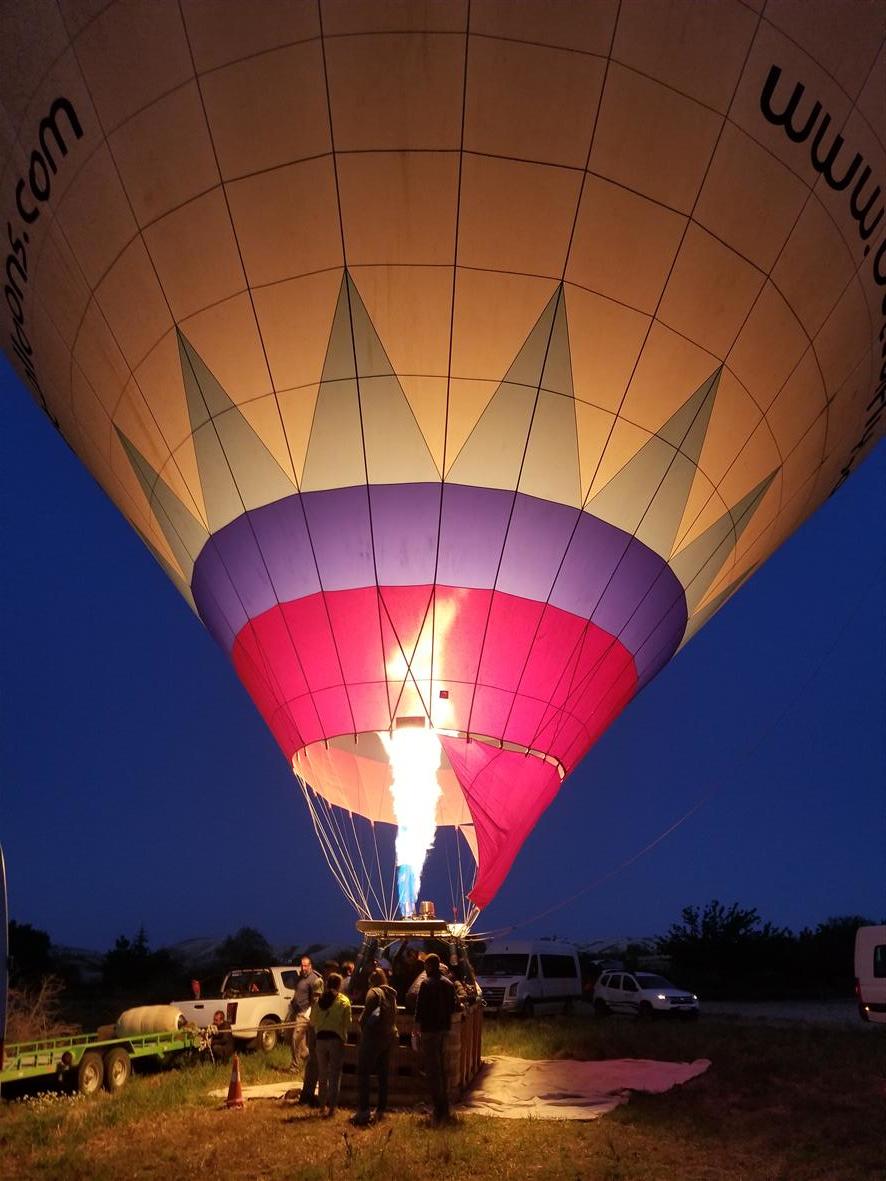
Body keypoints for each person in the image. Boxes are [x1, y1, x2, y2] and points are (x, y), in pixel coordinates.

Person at [414, 953, 461, 1125]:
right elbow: (454, 1006)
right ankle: (446, 1108)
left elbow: (419, 1009)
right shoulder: (449, 984)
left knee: (433, 1071)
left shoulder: (426, 984)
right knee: (442, 1068)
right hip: (444, 1030)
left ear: (429, 966)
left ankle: (438, 1110)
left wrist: (416, 1030)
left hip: (429, 1031)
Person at [351, 967, 398, 1126]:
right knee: (383, 1075)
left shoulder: (373, 993)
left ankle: (363, 1111)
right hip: (389, 1037)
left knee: (363, 1073)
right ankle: (381, 1109)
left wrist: (362, 1026)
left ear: (371, 980)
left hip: (373, 1038)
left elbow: (364, 1018)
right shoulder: (391, 995)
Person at [309, 972, 351, 1118]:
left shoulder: (319, 1001)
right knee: (334, 1075)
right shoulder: (343, 1001)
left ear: (327, 984)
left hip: (320, 1040)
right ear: (339, 985)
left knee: (322, 1073)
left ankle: (321, 1106)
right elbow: (347, 1023)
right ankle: (332, 1108)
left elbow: (312, 1021)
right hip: (336, 1040)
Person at [288, 955, 323, 1105]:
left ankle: (295, 1066)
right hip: (296, 1011)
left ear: (311, 965)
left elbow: (315, 999)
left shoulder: (314, 979)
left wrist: (310, 1012)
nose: (303, 968)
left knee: (296, 1037)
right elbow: (298, 992)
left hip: (305, 1013)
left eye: (306, 966)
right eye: (302, 965)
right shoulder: (300, 978)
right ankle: (307, 1058)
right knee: (299, 1041)